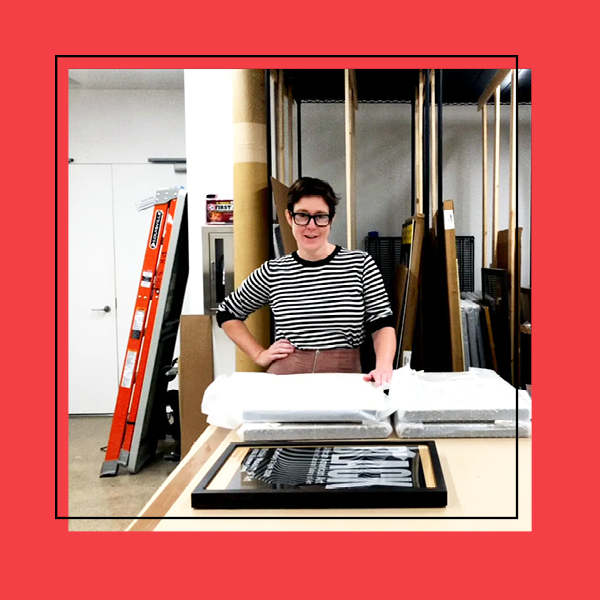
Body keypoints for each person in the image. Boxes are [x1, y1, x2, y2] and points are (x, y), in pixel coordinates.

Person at [216, 177, 396, 387]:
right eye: (302, 216)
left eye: (320, 217)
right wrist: (259, 354)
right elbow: (227, 312)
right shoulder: (274, 271)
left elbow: (381, 322)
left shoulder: (360, 264)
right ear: (289, 217)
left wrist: (384, 366)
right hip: (287, 376)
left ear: (331, 219)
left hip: (344, 373)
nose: (311, 226)